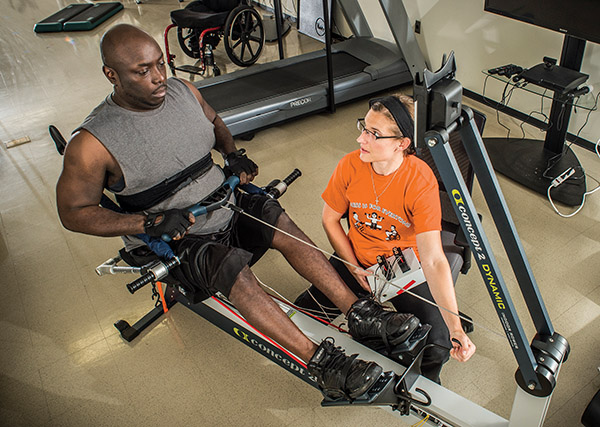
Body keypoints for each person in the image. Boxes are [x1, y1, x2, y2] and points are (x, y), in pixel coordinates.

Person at [55, 24, 428, 400]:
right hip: (178, 236)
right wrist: (147, 222)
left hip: (224, 201)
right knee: (233, 270)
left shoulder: (183, 91)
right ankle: (324, 364)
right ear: (112, 75)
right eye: (142, 71)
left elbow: (215, 122)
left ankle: (360, 312)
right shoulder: (91, 143)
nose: (158, 78)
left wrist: (232, 154)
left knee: (275, 216)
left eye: (159, 65)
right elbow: (74, 212)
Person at [294, 94, 476, 383]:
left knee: (438, 345)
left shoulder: (420, 179)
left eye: (373, 134)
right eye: (363, 128)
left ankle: (420, 384)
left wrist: (455, 327)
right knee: (302, 317)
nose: (360, 139)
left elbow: (432, 258)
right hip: (357, 260)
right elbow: (330, 219)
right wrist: (353, 266)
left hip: (403, 270)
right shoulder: (350, 165)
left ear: (401, 144)